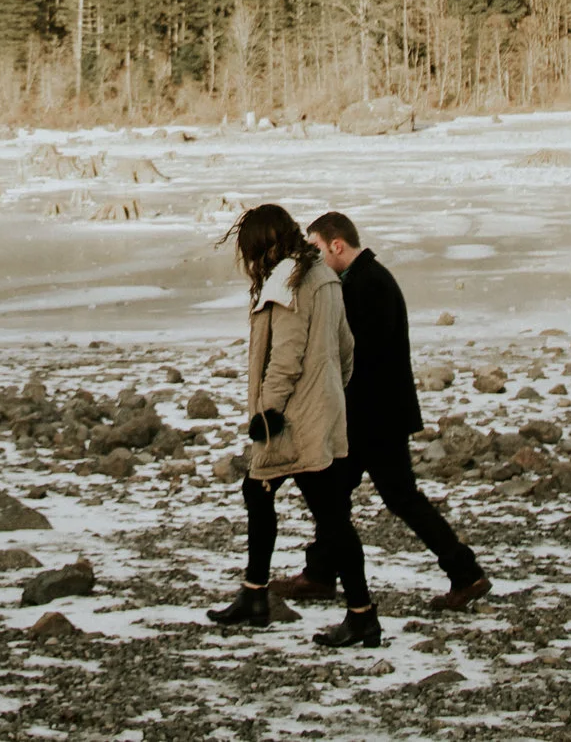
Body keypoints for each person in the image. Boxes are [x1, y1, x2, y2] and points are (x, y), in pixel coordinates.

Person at [276, 211, 492, 612]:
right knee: (344, 495)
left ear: (336, 245)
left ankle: (464, 572)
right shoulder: (362, 281)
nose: (314, 258)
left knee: (383, 496)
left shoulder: (368, 284)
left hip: (371, 416)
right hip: (373, 413)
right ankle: (321, 572)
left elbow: (358, 355)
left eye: (316, 249)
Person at [203, 203, 383, 647]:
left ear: (263, 246)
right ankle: (256, 594)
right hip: (320, 411)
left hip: (289, 419)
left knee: (329, 517)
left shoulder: (288, 281)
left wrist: (267, 413)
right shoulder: (323, 276)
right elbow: (346, 349)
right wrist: (329, 395)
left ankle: (359, 615)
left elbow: (284, 358)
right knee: (267, 494)